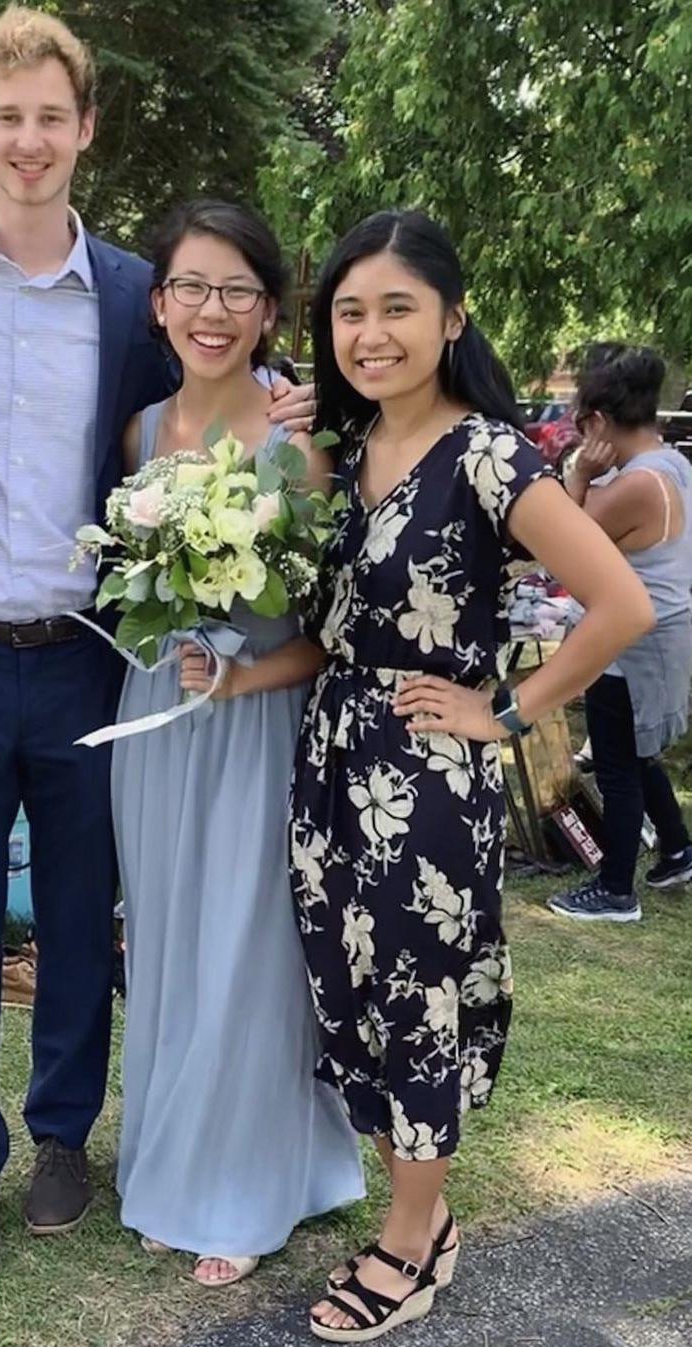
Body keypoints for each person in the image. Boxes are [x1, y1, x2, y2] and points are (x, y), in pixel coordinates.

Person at [0, 6, 313, 1276]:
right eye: (7, 117)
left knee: (83, 910)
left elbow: (211, 392)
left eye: (52, 118)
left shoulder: (139, 292)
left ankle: (63, 1137)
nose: (30, 140)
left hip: (91, 658)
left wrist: (291, 403)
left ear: (86, 128)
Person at [288, 209, 653, 1342]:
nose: (371, 333)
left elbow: (620, 604)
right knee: (348, 983)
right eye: (350, 311)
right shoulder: (352, 451)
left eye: (397, 308)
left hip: (426, 772)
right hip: (332, 756)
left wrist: (504, 713)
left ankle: (410, 1241)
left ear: (450, 319)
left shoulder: (490, 454)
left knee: (418, 994)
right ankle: (421, 1213)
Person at [111, 200, 365, 1289]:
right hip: (154, 724)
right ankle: (173, 1163)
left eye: (236, 292)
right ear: (158, 302)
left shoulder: (299, 444)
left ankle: (247, 1184)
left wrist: (241, 677)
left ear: (267, 311)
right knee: (167, 945)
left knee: (251, 953)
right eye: (190, 287)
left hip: (256, 723)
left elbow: (333, 634)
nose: (210, 312)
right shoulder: (137, 433)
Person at [549, 344, 692, 922]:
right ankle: (677, 851)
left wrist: (580, 474)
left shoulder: (635, 485)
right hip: (660, 634)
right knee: (638, 754)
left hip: (629, 646)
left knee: (616, 765)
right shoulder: (671, 464)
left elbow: (563, 546)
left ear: (600, 422)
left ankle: (615, 891)